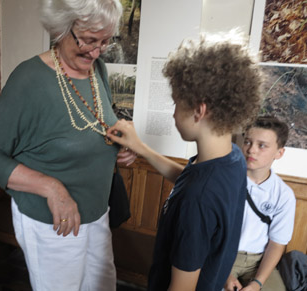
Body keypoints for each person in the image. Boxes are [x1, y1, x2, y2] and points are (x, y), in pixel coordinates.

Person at [0, 0, 136, 290]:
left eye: (105, 42)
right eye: (88, 40)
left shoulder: (98, 70)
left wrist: (121, 145)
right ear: (63, 27)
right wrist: (52, 188)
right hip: (54, 222)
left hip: (97, 214)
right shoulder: (30, 79)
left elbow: (94, 123)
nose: (97, 51)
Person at [107, 30, 263, 291]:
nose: (174, 114)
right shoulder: (232, 158)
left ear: (199, 111)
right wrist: (142, 148)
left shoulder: (196, 201)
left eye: (176, 104)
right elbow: (190, 179)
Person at [224, 116, 296, 291]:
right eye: (248, 142)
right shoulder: (226, 182)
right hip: (222, 256)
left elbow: (276, 243)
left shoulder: (284, 195)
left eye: (262, 145)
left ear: (279, 153)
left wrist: (257, 283)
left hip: (257, 262)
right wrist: (224, 274)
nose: (251, 150)